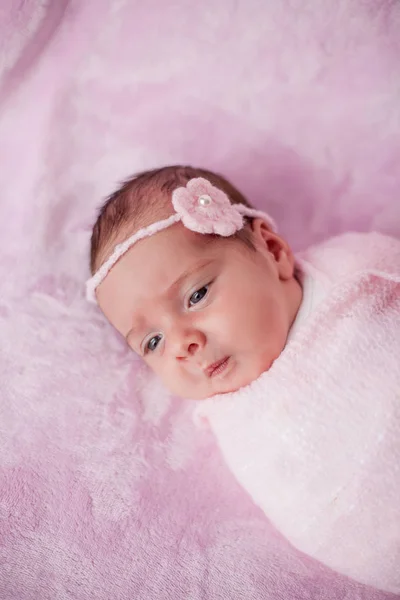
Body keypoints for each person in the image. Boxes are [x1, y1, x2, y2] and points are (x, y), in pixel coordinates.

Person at [86, 165, 400, 594]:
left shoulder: (352, 272)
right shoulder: (233, 418)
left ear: (272, 251)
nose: (182, 344)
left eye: (196, 295)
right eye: (153, 342)